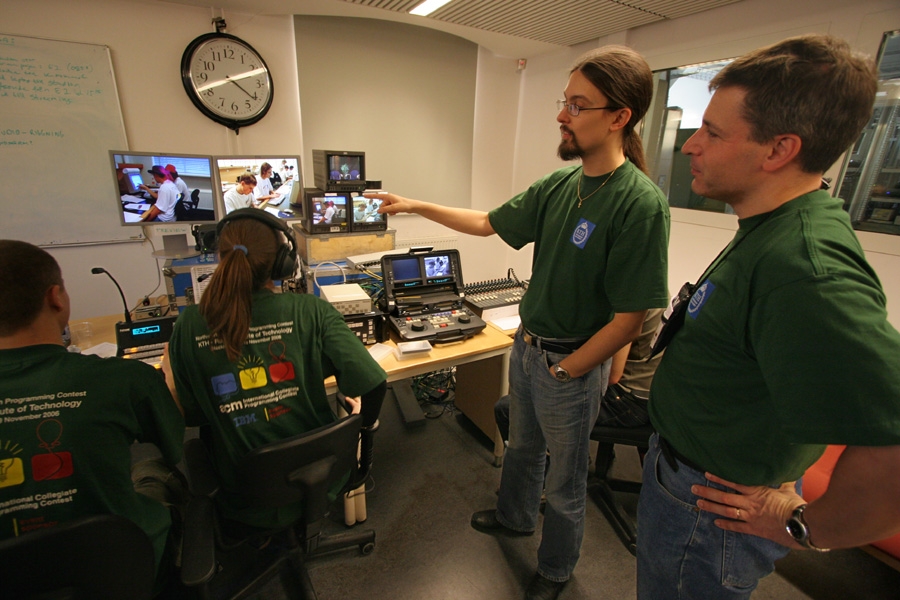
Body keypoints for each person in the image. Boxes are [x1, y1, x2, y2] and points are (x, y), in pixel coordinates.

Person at [371, 45, 670, 600]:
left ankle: (556, 570)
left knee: (564, 481)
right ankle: (514, 519)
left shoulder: (639, 204)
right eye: (565, 101)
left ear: (619, 116)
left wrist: (569, 371)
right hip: (528, 349)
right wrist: (413, 204)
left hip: (567, 365)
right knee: (524, 450)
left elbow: (630, 318)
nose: (562, 115)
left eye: (577, 105)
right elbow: (486, 222)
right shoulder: (561, 186)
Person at [637, 34, 900, 599]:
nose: (689, 147)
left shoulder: (804, 267)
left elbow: (893, 446)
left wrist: (808, 527)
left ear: (779, 150)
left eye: (713, 132)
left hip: (712, 512)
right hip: (690, 478)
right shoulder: (770, 227)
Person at [167, 209, 387, 531]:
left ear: (220, 257)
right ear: (284, 262)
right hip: (322, 476)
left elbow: (194, 415)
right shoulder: (311, 311)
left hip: (244, 493)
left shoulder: (189, 325)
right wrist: (360, 429)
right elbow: (374, 383)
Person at [0, 240, 186, 593]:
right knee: (156, 472)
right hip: (122, 565)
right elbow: (173, 445)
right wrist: (171, 379)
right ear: (57, 298)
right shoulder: (124, 379)